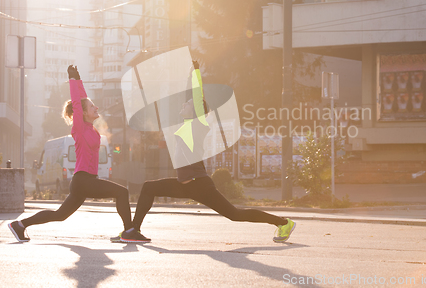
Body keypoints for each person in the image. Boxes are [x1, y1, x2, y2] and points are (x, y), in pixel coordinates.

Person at [119, 61, 295, 243]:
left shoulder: (198, 124)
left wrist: (195, 73)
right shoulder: (187, 125)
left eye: (187, 104)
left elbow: (197, 96)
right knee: (149, 187)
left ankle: (283, 223)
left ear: (196, 110)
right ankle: (133, 231)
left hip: (199, 185)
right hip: (184, 184)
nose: (183, 105)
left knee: (234, 214)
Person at [8, 65, 133, 243]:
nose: (96, 107)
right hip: (84, 180)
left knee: (60, 215)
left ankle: (19, 225)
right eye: (92, 106)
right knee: (122, 192)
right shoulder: (80, 128)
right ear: (82, 113)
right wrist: (72, 80)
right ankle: (129, 231)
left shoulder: (90, 128)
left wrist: (79, 78)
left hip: (84, 181)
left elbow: (82, 100)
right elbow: (78, 103)